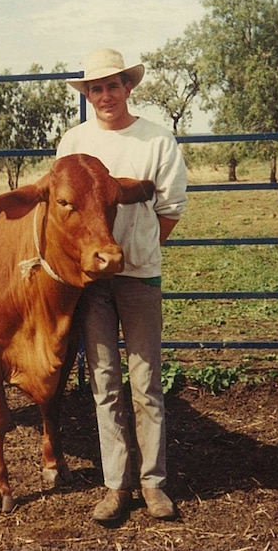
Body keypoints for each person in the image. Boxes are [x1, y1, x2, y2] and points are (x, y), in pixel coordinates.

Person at [56, 48, 188, 523]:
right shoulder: (72, 142)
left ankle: (153, 484)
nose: (106, 95)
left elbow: (169, 208)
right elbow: (62, 208)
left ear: (128, 88)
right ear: (88, 95)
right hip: (90, 283)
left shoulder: (155, 140)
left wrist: (140, 248)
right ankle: (116, 486)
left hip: (137, 278)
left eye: (114, 85)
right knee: (104, 380)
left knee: (147, 381)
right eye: (97, 88)